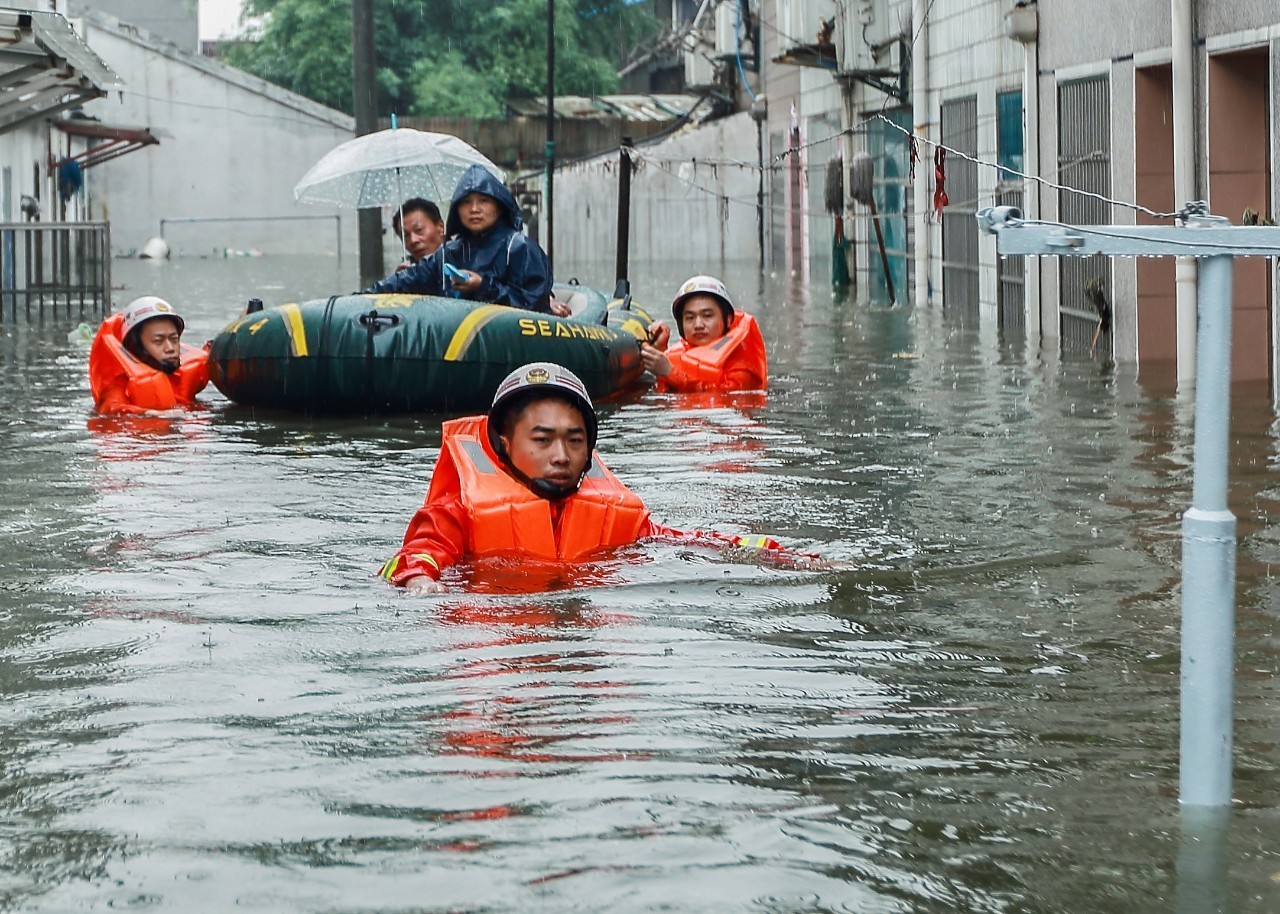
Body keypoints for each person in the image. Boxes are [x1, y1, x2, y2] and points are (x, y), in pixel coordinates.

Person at [378, 362, 791, 593]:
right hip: (499, 657)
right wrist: (420, 580)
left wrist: (771, 551)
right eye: (542, 440)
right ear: (504, 442)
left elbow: (688, 542)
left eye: (575, 441)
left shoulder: (621, 519)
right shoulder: (456, 514)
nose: (561, 456)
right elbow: (423, 550)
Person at [364, 164, 566, 315]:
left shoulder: (520, 249)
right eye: (467, 202)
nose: (474, 209)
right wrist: (356, 300)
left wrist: (483, 286)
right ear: (457, 209)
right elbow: (404, 282)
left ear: (499, 205)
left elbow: (535, 307)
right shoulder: (448, 253)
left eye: (483, 201)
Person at [640, 275, 767, 392]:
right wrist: (659, 352)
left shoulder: (742, 369)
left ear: (728, 320)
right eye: (690, 318)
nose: (698, 325)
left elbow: (721, 394)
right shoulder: (675, 357)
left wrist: (669, 372)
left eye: (707, 316)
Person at [89, 296, 209, 416]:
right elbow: (111, 410)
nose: (170, 348)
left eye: (174, 339)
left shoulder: (184, 374)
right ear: (136, 346)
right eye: (158, 341)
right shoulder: (120, 388)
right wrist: (151, 414)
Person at [391, 197, 445, 268]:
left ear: (440, 227)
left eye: (419, 230)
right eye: (405, 236)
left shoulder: (462, 258)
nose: (413, 240)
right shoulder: (408, 273)